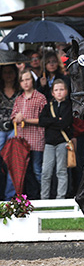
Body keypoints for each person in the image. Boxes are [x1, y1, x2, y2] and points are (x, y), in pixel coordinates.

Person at [11, 69, 47, 199]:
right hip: (22, 140)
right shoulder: (19, 99)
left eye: (28, 79)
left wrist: (25, 119)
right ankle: (26, 196)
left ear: (32, 80)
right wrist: (17, 119)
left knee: (37, 169)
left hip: (36, 139)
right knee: (24, 170)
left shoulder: (40, 98)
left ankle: (42, 196)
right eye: (22, 80)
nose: (25, 83)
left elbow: (44, 120)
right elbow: (13, 118)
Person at [39, 79, 73, 199]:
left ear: (66, 91)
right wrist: (55, 120)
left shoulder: (69, 106)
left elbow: (65, 123)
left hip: (62, 142)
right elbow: (41, 121)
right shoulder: (48, 106)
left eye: (61, 89)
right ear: (52, 93)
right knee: (46, 172)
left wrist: (52, 122)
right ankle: (44, 198)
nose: (59, 92)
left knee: (61, 171)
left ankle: (61, 197)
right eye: (56, 90)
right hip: (48, 143)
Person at [0, 64, 21, 200]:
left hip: (15, 129)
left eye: (11, 72)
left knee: (13, 163)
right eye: (5, 72)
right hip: (0, 130)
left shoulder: (20, 91)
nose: (8, 75)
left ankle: (10, 196)